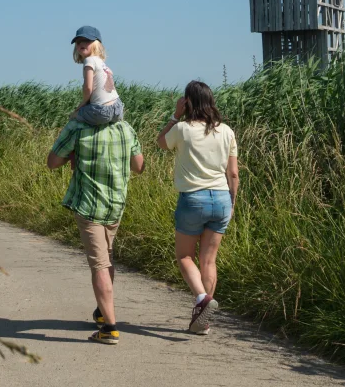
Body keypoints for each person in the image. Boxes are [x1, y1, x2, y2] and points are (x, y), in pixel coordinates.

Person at [47, 118, 144, 345]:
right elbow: (139, 166)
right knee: (107, 258)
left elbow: (52, 162)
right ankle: (102, 311)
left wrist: (75, 154)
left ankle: (110, 328)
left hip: (88, 205)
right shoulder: (125, 127)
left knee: (99, 263)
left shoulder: (78, 126)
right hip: (115, 204)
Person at [156, 80, 239, 335]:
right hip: (222, 198)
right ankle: (202, 322)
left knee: (184, 257)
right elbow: (233, 173)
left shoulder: (181, 129)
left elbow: (161, 142)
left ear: (188, 102)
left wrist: (174, 115)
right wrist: (232, 204)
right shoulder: (226, 131)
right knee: (208, 260)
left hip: (193, 199)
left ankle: (202, 298)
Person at [70, 26, 123, 125]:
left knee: (74, 116)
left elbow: (88, 88)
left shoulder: (89, 61)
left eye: (86, 40)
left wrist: (82, 104)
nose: (81, 43)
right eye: (78, 42)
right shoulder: (101, 62)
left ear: (97, 44)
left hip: (101, 111)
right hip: (118, 108)